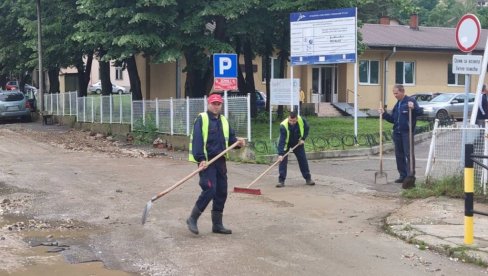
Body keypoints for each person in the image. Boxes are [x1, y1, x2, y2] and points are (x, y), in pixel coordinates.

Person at [187, 93, 245, 235]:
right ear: (208, 104)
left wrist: (238, 143)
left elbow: (230, 140)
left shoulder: (224, 121)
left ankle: (217, 225)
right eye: (214, 103)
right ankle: (192, 218)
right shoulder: (202, 119)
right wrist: (200, 159)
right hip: (207, 161)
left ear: (221, 105)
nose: (216, 106)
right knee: (209, 189)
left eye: (218, 104)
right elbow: (197, 140)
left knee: (221, 191)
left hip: (220, 161)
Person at [379, 84, 423, 186]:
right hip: (397, 133)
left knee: (409, 154)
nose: (395, 95)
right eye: (393, 93)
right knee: (399, 155)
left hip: (407, 132)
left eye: (396, 93)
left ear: (402, 91)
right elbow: (393, 120)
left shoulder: (410, 101)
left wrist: (413, 108)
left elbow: (420, 112)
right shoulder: (398, 104)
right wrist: (384, 114)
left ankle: (410, 176)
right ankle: (402, 176)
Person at [276, 111, 315, 187]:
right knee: (282, 161)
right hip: (286, 144)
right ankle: (281, 181)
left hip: (298, 142)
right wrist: (280, 154)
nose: (292, 122)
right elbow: (282, 140)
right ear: (288, 118)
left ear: (297, 119)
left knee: (302, 159)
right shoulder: (283, 126)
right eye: (290, 120)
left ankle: (308, 179)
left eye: (294, 121)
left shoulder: (302, 120)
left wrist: (303, 139)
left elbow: (306, 128)